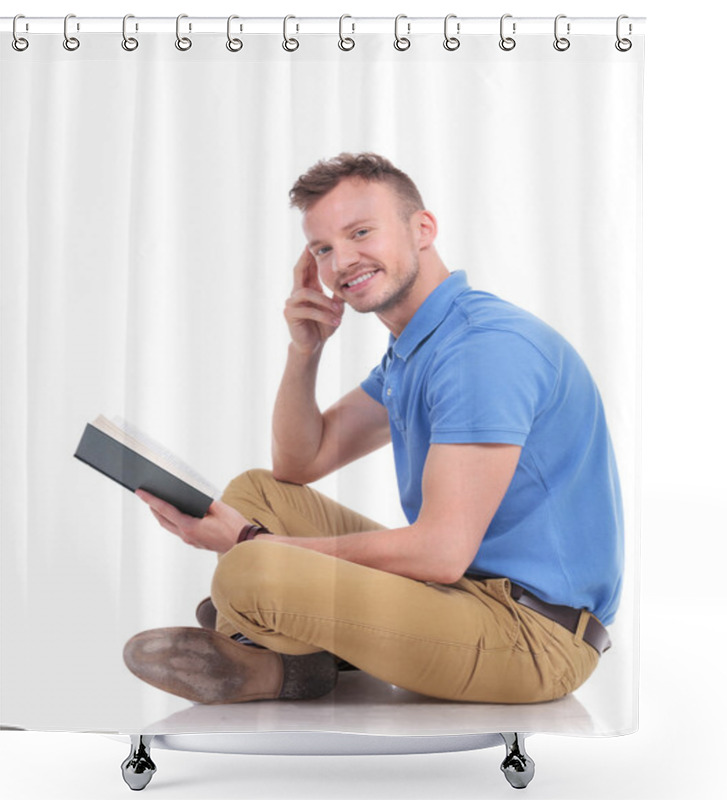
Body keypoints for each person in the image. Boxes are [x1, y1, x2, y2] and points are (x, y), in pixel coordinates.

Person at [124, 152, 623, 705]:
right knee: (258, 492)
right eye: (323, 249)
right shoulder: (417, 348)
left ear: (422, 229)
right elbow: (298, 463)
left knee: (250, 571)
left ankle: (282, 647)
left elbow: (440, 552)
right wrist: (303, 350)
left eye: (361, 232)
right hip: (460, 596)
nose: (342, 261)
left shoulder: (482, 350)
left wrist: (252, 544)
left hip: (534, 639)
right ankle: (294, 647)